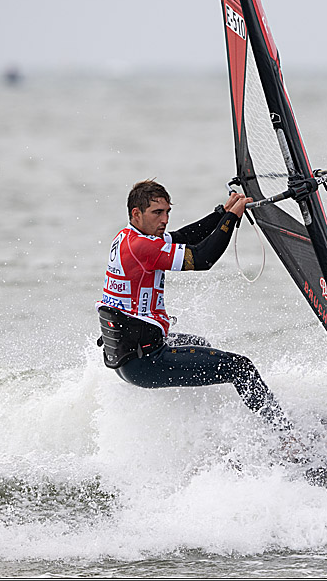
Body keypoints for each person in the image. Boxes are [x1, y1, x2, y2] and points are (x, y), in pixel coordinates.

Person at [97, 179, 295, 434]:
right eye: (157, 212)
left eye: (168, 212)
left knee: (201, 345)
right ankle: (287, 437)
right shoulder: (141, 247)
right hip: (145, 362)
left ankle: (210, 426)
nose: (165, 219)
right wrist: (231, 220)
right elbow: (203, 258)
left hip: (130, 357)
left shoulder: (127, 237)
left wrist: (221, 214)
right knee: (240, 367)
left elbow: (182, 237)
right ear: (136, 213)